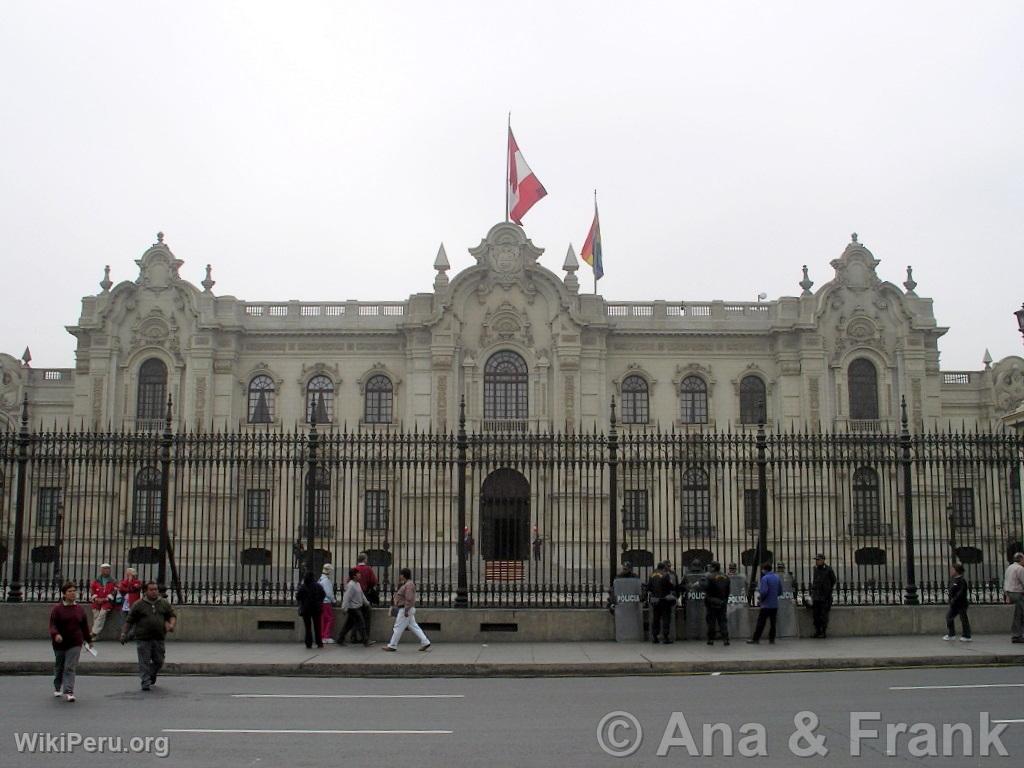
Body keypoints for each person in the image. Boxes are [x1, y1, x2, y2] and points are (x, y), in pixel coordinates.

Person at [120, 580, 176, 691]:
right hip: (143, 638)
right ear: (145, 591)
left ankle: (151, 674)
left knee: (159, 661)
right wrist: (124, 633)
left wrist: (171, 625)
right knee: (144, 661)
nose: (154, 592)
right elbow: (129, 621)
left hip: (159, 637)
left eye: (156, 589)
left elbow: (172, 615)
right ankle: (145, 682)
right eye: (151, 590)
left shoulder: (164, 603)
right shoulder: (138, 605)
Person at [49, 581, 92, 702]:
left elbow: (84, 627)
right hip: (60, 643)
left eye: (74, 591)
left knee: (70, 667)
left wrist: (89, 640)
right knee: (59, 666)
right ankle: (57, 686)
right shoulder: (57, 609)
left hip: (75, 642)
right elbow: (52, 625)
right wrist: (56, 634)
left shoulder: (79, 609)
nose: (73, 593)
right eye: (70, 591)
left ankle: (69, 691)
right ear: (64, 594)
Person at [383, 568, 431, 652]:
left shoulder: (409, 584)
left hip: (405, 609)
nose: (400, 576)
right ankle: (425, 642)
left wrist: (406, 610)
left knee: (397, 627)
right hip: (407, 609)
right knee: (413, 626)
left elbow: (409, 598)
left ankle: (392, 645)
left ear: (403, 575)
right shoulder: (407, 584)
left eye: (401, 574)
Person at [338, 568, 375, 647]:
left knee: (348, 625)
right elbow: (346, 597)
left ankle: (340, 639)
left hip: (357, 607)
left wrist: (366, 603)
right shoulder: (351, 585)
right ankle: (365, 640)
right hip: (353, 608)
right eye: (358, 574)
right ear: (354, 576)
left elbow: (361, 595)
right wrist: (344, 608)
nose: (360, 575)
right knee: (361, 623)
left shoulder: (357, 584)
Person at [747, 562, 781, 645]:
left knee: (761, 623)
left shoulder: (765, 578)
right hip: (774, 604)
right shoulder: (777, 577)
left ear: (764, 570)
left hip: (766, 605)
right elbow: (780, 591)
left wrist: (760, 598)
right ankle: (772, 639)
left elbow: (764, 591)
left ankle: (756, 639)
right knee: (773, 623)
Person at [702, 562, 731, 646]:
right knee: (722, 621)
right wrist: (724, 600)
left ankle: (711, 639)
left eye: (711, 566)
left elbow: (706, 588)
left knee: (711, 621)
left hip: (711, 602)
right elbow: (728, 591)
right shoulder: (726, 577)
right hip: (722, 602)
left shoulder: (709, 577)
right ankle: (725, 639)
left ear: (714, 567)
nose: (709, 568)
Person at [646, 562, 676, 644]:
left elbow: (648, 587)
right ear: (663, 568)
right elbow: (670, 586)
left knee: (656, 619)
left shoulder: (652, 575)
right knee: (666, 618)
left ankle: (655, 637)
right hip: (665, 600)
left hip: (655, 600)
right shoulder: (666, 575)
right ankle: (666, 637)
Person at [295, 571, 326, 649]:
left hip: (306, 609)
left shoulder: (303, 587)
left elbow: (298, 597)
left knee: (308, 627)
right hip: (316, 608)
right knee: (317, 626)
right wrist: (319, 601)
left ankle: (308, 643)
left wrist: (303, 601)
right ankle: (319, 642)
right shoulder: (318, 586)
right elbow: (323, 594)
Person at [809, 553, 837, 638]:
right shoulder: (815, 569)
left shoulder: (828, 569)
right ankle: (817, 631)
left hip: (825, 597)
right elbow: (815, 581)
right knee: (816, 615)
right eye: (816, 560)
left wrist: (827, 589)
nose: (817, 561)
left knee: (824, 615)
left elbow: (833, 580)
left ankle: (823, 632)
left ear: (823, 560)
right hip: (816, 596)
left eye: (818, 560)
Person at [89, 562, 118, 641]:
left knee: (102, 615)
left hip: (108, 602)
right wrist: (95, 598)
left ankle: (93, 633)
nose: (107, 571)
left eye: (108, 569)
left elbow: (114, 592)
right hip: (97, 601)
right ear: (101, 570)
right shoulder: (96, 580)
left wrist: (105, 599)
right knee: (96, 615)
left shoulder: (113, 581)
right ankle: (96, 636)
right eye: (105, 569)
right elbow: (92, 590)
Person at [944, 563, 972, 641]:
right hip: (954, 604)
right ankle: (951, 634)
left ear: (957, 571)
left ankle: (967, 635)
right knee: (948, 617)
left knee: (963, 619)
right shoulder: (953, 579)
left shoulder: (962, 580)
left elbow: (961, 592)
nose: (950, 571)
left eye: (952, 569)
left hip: (961, 604)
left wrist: (954, 599)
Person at [1003, 552, 1024, 643]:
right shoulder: (1020, 568)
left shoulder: (1009, 567)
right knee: (1020, 615)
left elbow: (1006, 581)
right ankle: (1017, 635)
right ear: (1021, 559)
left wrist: (1007, 595)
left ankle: (1017, 634)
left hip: (1009, 593)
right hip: (1017, 593)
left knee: (1018, 615)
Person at [117, 567, 142, 636]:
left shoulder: (138, 582)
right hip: (124, 602)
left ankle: (132, 633)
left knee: (133, 618)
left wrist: (130, 583)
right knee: (123, 618)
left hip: (133, 602)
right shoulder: (123, 582)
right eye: (129, 574)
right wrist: (129, 588)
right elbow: (122, 589)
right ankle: (124, 633)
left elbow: (134, 588)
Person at [318, 564, 336, 644]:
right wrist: (334, 600)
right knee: (329, 619)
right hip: (326, 602)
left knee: (322, 619)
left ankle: (322, 636)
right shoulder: (326, 581)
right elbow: (328, 593)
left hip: (321, 602)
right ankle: (326, 636)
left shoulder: (320, 579)